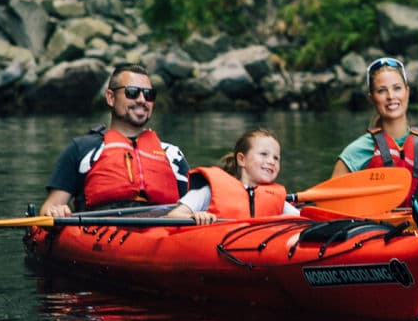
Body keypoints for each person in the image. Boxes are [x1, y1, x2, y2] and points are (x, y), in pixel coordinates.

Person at [38, 63, 194, 217]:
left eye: (148, 94)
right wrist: (54, 211)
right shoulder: (81, 150)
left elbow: (192, 206)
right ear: (110, 97)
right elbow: (50, 206)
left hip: (161, 234)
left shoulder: (173, 155)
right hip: (99, 233)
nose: (142, 100)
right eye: (132, 92)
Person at [331, 55, 418, 191]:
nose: (390, 96)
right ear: (372, 98)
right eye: (382, 91)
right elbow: (330, 202)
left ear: (407, 92)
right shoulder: (356, 152)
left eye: (397, 88)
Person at [186, 127, 300, 220]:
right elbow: (174, 215)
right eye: (264, 154)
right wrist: (195, 216)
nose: (271, 161)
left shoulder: (277, 200)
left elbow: (303, 220)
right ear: (242, 159)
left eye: (276, 158)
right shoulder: (209, 191)